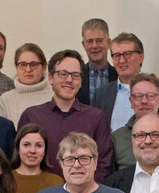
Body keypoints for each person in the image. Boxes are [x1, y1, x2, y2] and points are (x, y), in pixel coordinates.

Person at [18, 49, 113, 183]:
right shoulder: (31, 116)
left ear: (80, 81)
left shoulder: (96, 118)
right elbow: (21, 163)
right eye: (63, 74)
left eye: (75, 75)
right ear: (50, 78)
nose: (69, 80)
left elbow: (104, 164)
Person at [92, 33, 159, 130]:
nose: (122, 60)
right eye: (117, 55)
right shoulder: (101, 94)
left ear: (141, 57)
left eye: (127, 54)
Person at [0, 44, 52, 127]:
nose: (28, 69)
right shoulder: (5, 101)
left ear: (44, 67)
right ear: (16, 67)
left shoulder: (55, 96)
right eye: (23, 64)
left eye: (34, 64)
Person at [11, 124, 63, 193]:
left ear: (45, 150)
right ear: (18, 148)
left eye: (38, 145)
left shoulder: (56, 182)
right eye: (26, 145)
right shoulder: (5, 180)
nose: (32, 150)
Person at [77, 18, 117, 104]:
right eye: (90, 41)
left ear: (109, 43)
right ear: (84, 44)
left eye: (99, 40)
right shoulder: (76, 77)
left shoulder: (119, 76)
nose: (94, 46)